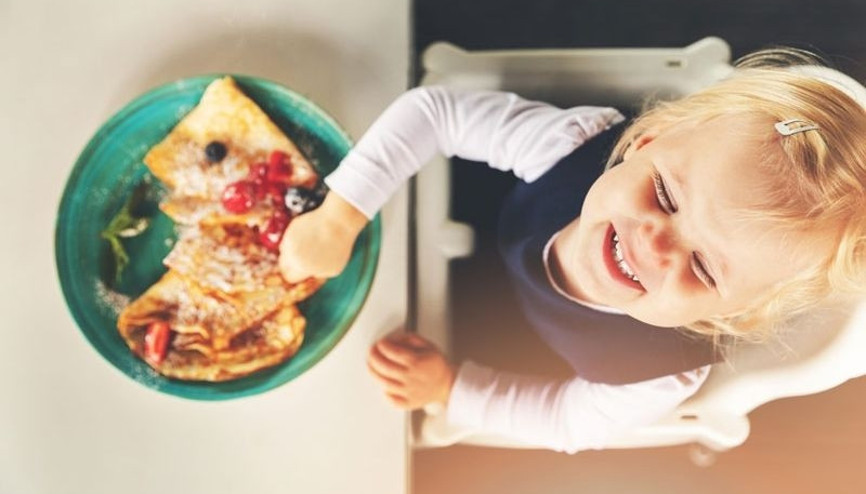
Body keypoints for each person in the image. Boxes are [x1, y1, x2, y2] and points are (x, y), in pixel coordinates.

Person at [278, 48, 866, 453]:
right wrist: (340, 214)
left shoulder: (657, 376)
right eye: (663, 194)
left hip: (516, 339)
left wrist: (451, 389)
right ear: (646, 139)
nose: (655, 242)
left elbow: (568, 421)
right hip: (499, 223)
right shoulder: (574, 146)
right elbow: (433, 111)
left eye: (704, 267)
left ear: (731, 314)